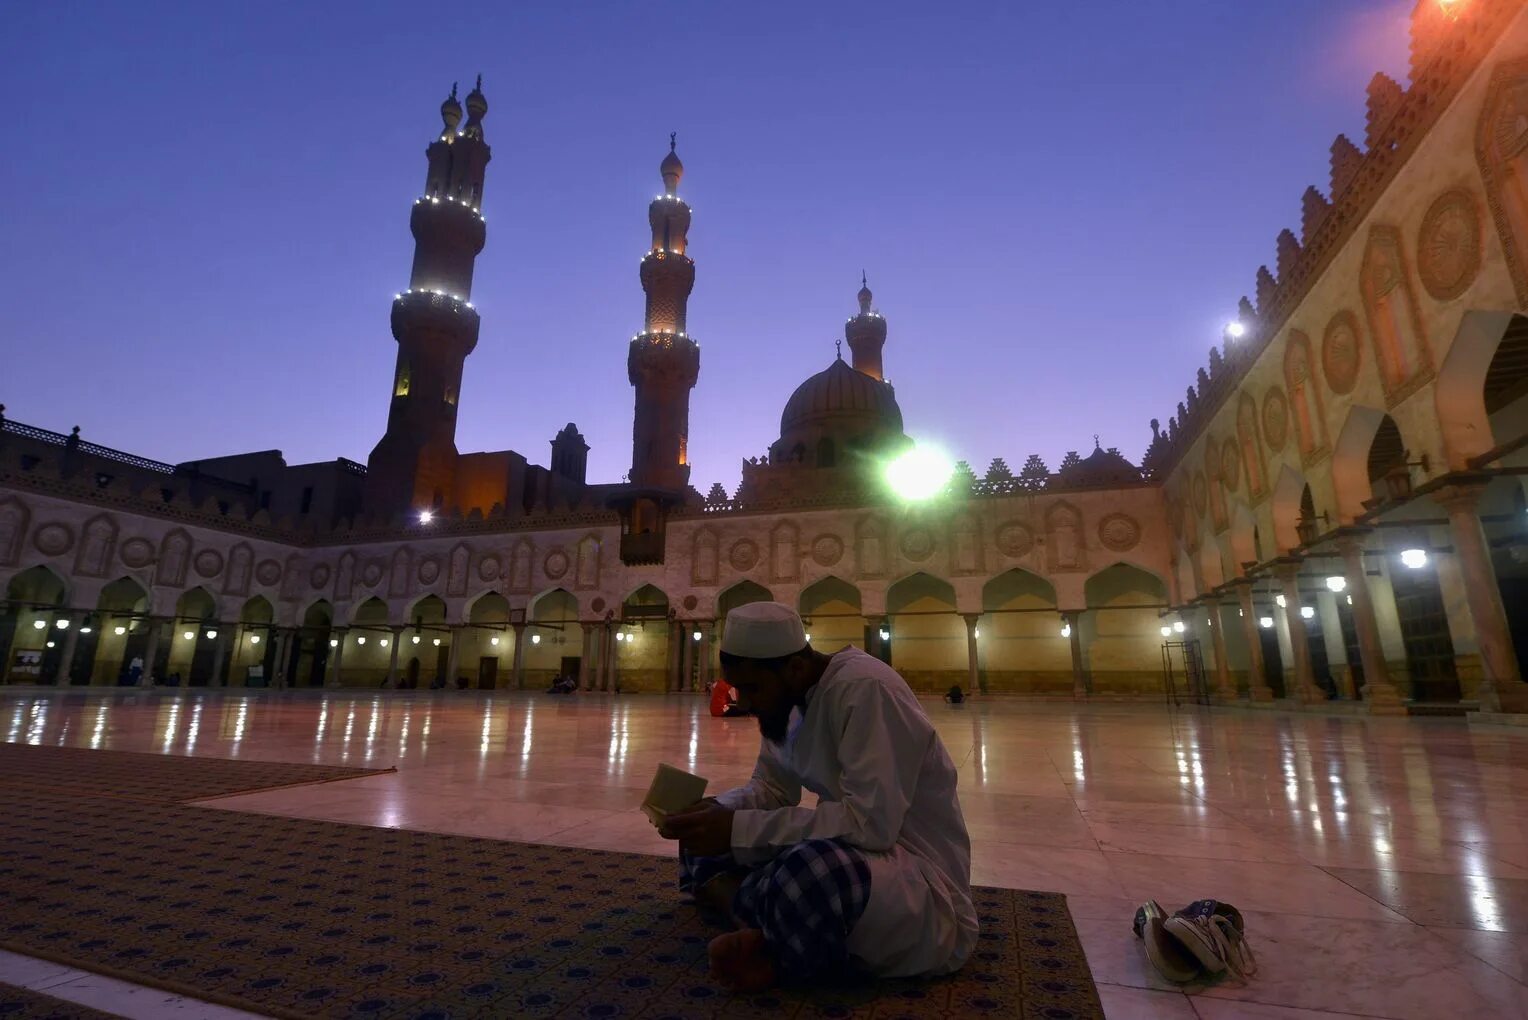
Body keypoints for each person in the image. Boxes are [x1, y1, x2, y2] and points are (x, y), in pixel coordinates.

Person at [660, 602, 977, 992]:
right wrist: (719, 811)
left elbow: (872, 826)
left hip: (918, 876)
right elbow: (771, 788)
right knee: (701, 831)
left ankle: (746, 911)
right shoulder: (787, 701)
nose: (744, 703)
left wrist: (738, 828)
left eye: (753, 688)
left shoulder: (865, 690)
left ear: (793, 667)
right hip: (856, 850)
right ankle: (769, 920)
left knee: (809, 871)